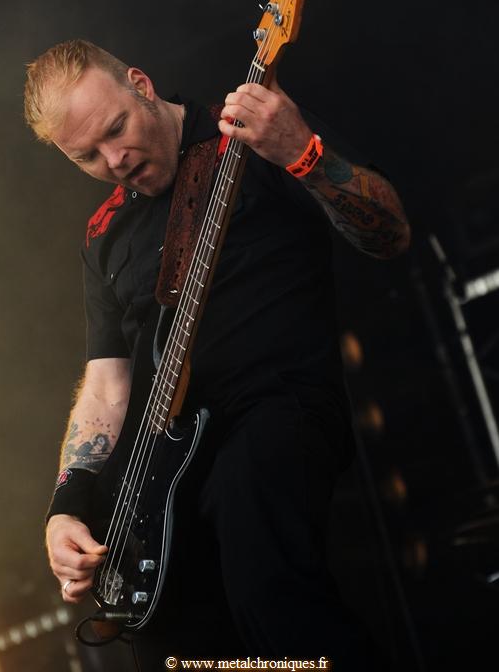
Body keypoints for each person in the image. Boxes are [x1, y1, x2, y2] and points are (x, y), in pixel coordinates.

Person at [24, 39, 410, 670]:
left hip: (275, 412)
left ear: (141, 84)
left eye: (116, 129)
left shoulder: (252, 136)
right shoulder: (104, 233)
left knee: (272, 595)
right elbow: (106, 384)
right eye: (86, 156)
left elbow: (390, 233)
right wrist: (66, 506)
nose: (114, 160)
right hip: (164, 470)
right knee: (175, 651)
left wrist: (302, 154)